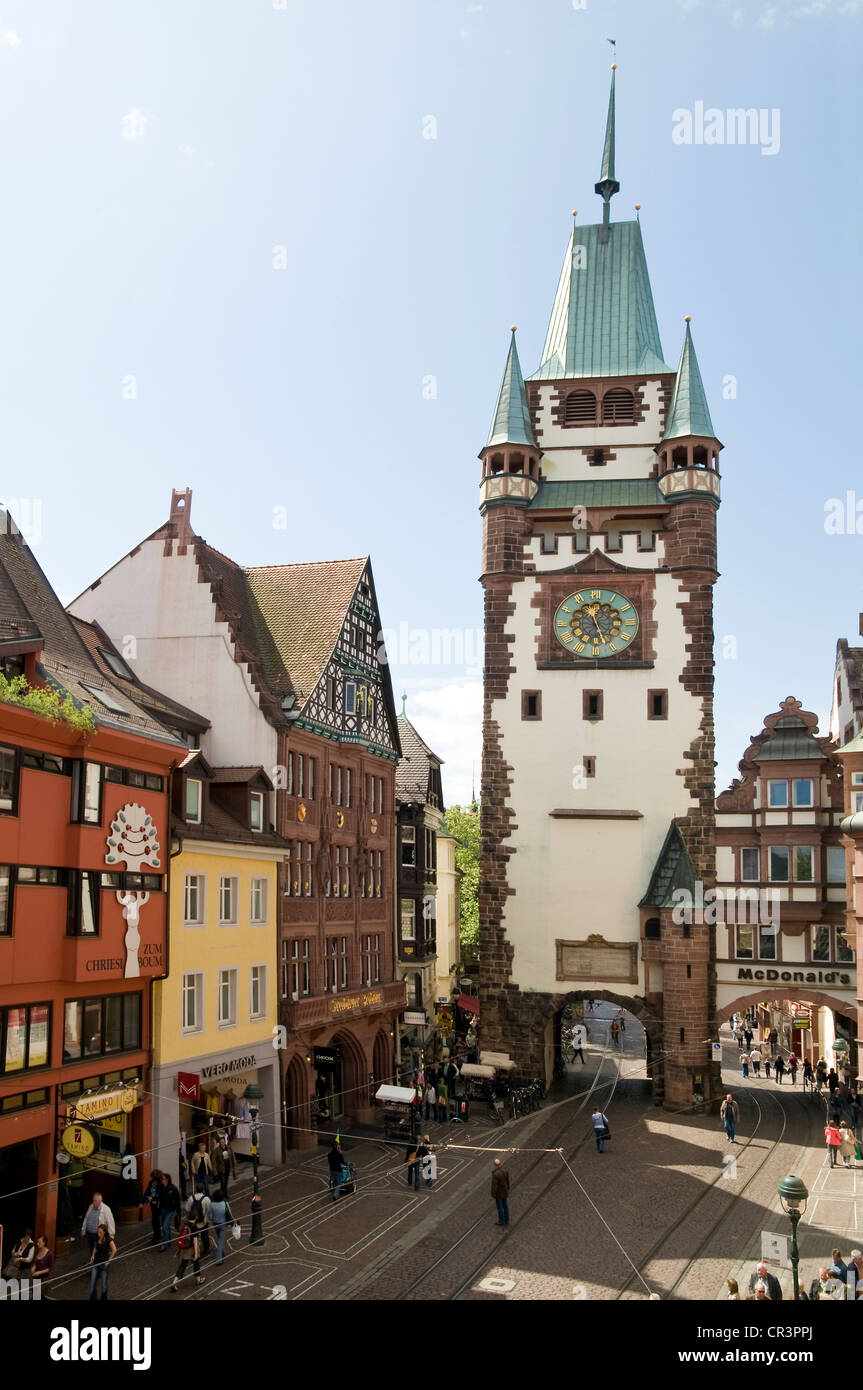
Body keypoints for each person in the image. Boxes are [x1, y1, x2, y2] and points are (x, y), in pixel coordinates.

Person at [171, 1205, 205, 1290]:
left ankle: (174, 1282)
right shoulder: (194, 1227)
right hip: (191, 1249)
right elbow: (195, 1241)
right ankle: (198, 1280)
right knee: (196, 1263)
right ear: (196, 1217)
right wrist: (196, 1253)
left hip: (184, 1248)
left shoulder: (186, 1224)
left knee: (183, 1265)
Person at [88, 1224, 116, 1301]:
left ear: (104, 1232)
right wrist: (93, 1255)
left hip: (104, 1265)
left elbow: (114, 1250)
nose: (98, 1234)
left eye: (100, 1232)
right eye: (98, 1232)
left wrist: (108, 1261)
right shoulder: (97, 1238)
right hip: (96, 1262)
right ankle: (93, 1298)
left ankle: (103, 1298)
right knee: (92, 1283)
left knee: (104, 1285)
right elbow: (95, 1247)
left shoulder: (108, 1239)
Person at [208, 1188, 234, 1265]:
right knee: (220, 1241)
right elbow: (230, 1214)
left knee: (219, 1238)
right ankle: (219, 1259)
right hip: (223, 1224)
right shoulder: (225, 1204)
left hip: (215, 1223)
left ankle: (222, 1252)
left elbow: (210, 1216)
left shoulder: (212, 1204)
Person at [158, 1172, 181, 1250]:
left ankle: (164, 1244)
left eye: (163, 1179)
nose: (161, 1180)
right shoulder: (160, 1187)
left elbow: (177, 1200)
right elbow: (158, 1197)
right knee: (165, 1226)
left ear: (167, 1180)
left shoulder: (173, 1188)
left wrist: (178, 1212)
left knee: (165, 1226)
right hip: (162, 1209)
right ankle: (169, 1240)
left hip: (170, 1210)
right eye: (161, 1179)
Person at [185, 1188, 211, 1254]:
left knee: (193, 1236)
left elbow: (187, 1209)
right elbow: (209, 1210)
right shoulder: (206, 1199)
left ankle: (193, 1249)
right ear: (202, 1190)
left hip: (193, 1222)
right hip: (203, 1222)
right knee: (204, 1235)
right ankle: (206, 1248)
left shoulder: (191, 1198)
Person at [141, 1169, 163, 1245]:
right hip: (153, 1205)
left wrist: (152, 1198)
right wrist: (143, 1201)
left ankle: (157, 1236)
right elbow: (147, 1192)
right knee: (155, 1221)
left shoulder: (160, 1184)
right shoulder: (151, 1183)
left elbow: (159, 1194)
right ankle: (157, 1235)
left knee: (156, 1221)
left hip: (158, 1205)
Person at [491, 1157, 510, 1226]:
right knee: (505, 1206)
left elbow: (494, 1186)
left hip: (499, 1193)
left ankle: (501, 1221)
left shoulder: (496, 1174)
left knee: (500, 1208)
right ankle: (507, 1220)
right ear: (500, 1163)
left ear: (495, 1164)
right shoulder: (505, 1171)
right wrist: (507, 1188)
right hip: (505, 1192)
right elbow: (508, 1182)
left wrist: (493, 1194)